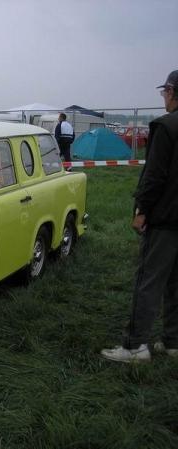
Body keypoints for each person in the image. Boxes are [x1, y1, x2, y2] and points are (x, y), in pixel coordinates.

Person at [101, 70, 178, 363]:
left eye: (165, 92)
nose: (164, 98)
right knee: (176, 283)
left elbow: (155, 175)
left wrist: (141, 210)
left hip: (165, 220)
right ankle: (173, 341)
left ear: (172, 91)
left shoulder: (166, 126)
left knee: (148, 280)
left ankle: (135, 346)